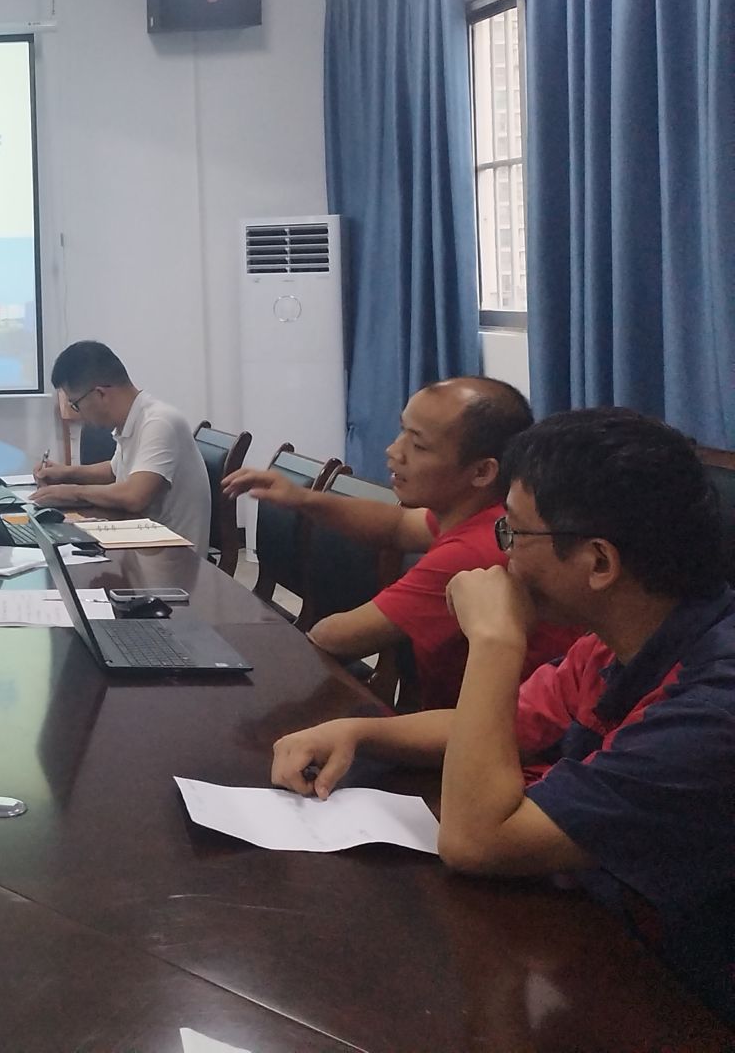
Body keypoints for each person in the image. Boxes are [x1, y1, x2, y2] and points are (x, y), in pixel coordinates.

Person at [270, 408, 735, 1025]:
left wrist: (494, 641)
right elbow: (503, 725)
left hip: (681, 1003)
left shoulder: (712, 709)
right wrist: (360, 730)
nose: (502, 555)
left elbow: (477, 842)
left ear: (599, 562)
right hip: (601, 935)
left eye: (513, 533)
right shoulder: (621, 638)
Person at [224, 376, 579, 708]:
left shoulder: (476, 551)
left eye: (418, 444)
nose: (394, 450)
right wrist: (303, 499)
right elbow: (397, 525)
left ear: (482, 471)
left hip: (489, 734)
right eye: (402, 431)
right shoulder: (484, 515)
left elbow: (336, 638)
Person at [29, 340, 210, 548]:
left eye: (75, 404)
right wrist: (64, 473)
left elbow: (134, 496)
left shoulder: (159, 422)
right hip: (143, 540)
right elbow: (114, 471)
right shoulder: (132, 419)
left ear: (100, 394)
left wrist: (73, 492)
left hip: (173, 555)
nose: (77, 412)